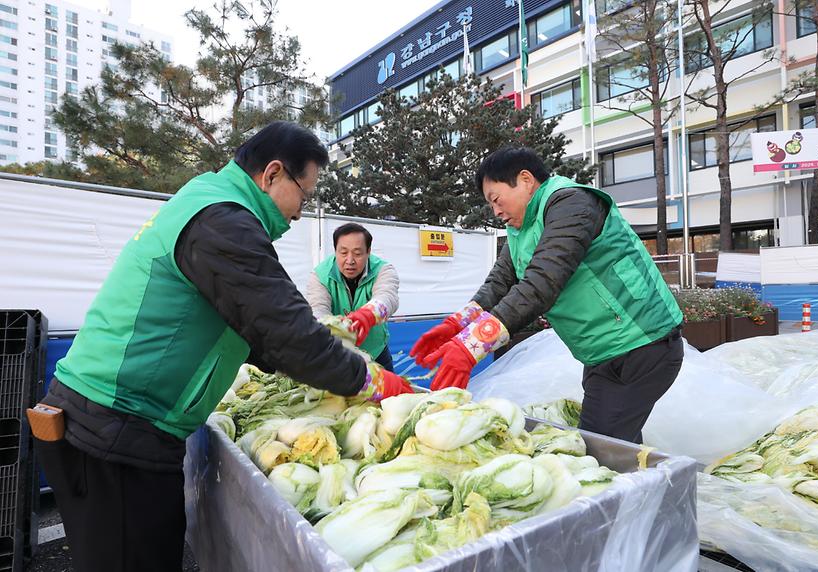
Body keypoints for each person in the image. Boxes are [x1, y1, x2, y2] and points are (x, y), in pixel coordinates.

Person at [32, 122, 413, 572]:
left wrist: (309, 357)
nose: (299, 211)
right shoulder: (223, 220)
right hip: (116, 429)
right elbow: (286, 332)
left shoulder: (208, 203)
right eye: (303, 194)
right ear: (273, 174)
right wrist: (372, 380)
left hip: (114, 425)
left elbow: (255, 333)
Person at [410, 145, 683, 444]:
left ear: (526, 180)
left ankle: (656, 485)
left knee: (602, 447)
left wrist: (470, 347)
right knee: (614, 443)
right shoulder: (520, 229)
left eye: (496, 199)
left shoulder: (572, 204)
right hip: (605, 352)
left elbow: (542, 282)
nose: (496, 211)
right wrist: (457, 325)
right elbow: (500, 282)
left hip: (642, 343)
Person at [307, 223, 400, 371]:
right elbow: (317, 309)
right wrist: (332, 331)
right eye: (343, 252)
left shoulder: (383, 269)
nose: (350, 260)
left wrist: (369, 314)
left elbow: (388, 296)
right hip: (338, 354)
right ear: (335, 251)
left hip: (376, 353)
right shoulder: (320, 275)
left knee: (389, 393)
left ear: (368, 251)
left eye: (357, 253)